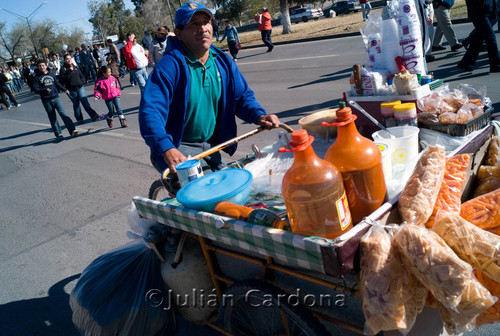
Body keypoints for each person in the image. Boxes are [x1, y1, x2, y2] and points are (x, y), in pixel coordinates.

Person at [139, 2, 280, 176]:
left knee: (234, 185)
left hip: (212, 144)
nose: (203, 28)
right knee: (201, 197)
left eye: (206, 22)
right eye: (194, 24)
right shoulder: (169, 67)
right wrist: (165, 147)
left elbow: (242, 97)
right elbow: (151, 111)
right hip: (179, 145)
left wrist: (259, 115)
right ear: (179, 34)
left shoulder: (222, 61)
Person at [32, 59, 78, 138]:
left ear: (46, 66)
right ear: (37, 67)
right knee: (52, 117)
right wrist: (44, 90)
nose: (41, 67)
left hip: (56, 97)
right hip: (46, 100)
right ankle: (58, 133)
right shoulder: (36, 78)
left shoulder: (51, 74)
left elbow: (57, 84)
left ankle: (72, 130)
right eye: (39, 66)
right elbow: (36, 90)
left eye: (43, 65)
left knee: (63, 114)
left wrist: (65, 90)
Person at [458, 0, 500, 72]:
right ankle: (495, 65)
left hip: (489, 10)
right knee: (490, 37)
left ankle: (465, 62)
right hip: (479, 12)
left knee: (479, 38)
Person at [59, 54, 101, 123]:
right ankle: (79, 119)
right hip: (71, 90)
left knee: (85, 102)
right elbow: (62, 80)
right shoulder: (63, 69)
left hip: (80, 87)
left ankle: (94, 115)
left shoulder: (75, 66)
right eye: (67, 59)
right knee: (76, 105)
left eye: (70, 58)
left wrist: (83, 81)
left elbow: (80, 75)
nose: (69, 60)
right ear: (64, 60)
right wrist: (68, 71)